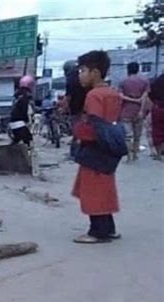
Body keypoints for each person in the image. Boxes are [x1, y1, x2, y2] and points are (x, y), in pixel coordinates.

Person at [72, 50, 122, 244]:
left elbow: (94, 125)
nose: (80, 75)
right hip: (110, 148)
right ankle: (108, 228)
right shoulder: (112, 93)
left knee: (92, 191)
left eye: (83, 70)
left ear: (95, 72)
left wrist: (78, 130)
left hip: (95, 149)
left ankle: (97, 231)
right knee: (105, 188)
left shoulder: (94, 95)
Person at [119, 62, 150, 161]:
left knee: (128, 136)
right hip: (139, 110)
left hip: (126, 110)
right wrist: (141, 109)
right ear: (138, 69)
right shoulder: (145, 81)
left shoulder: (123, 81)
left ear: (128, 69)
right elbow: (145, 97)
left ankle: (128, 157)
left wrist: (132, 100)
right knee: (137, 135)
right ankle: (135, 155)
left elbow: (120, 96)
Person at [64, 60, 90, 158]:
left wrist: (65, 107)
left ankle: (75, 153)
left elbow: (69, 96)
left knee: (77, 130)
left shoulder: (70, 79)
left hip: (76, 108)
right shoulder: (84, 76)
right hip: (87, 107)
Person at [9, 75, 34, 146]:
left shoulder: (17, 96)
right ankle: (27, 154)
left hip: (12, 122)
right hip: (19, 123)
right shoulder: (24, 98)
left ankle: (10, 152)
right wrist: (27, 120)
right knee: (28, 140)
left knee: (16, 140)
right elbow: (24, 111)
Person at [148, 74, 164, 160]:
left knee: (157, 131)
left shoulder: (157, 81)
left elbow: (150, 94)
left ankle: (158, 154)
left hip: (159, 107)